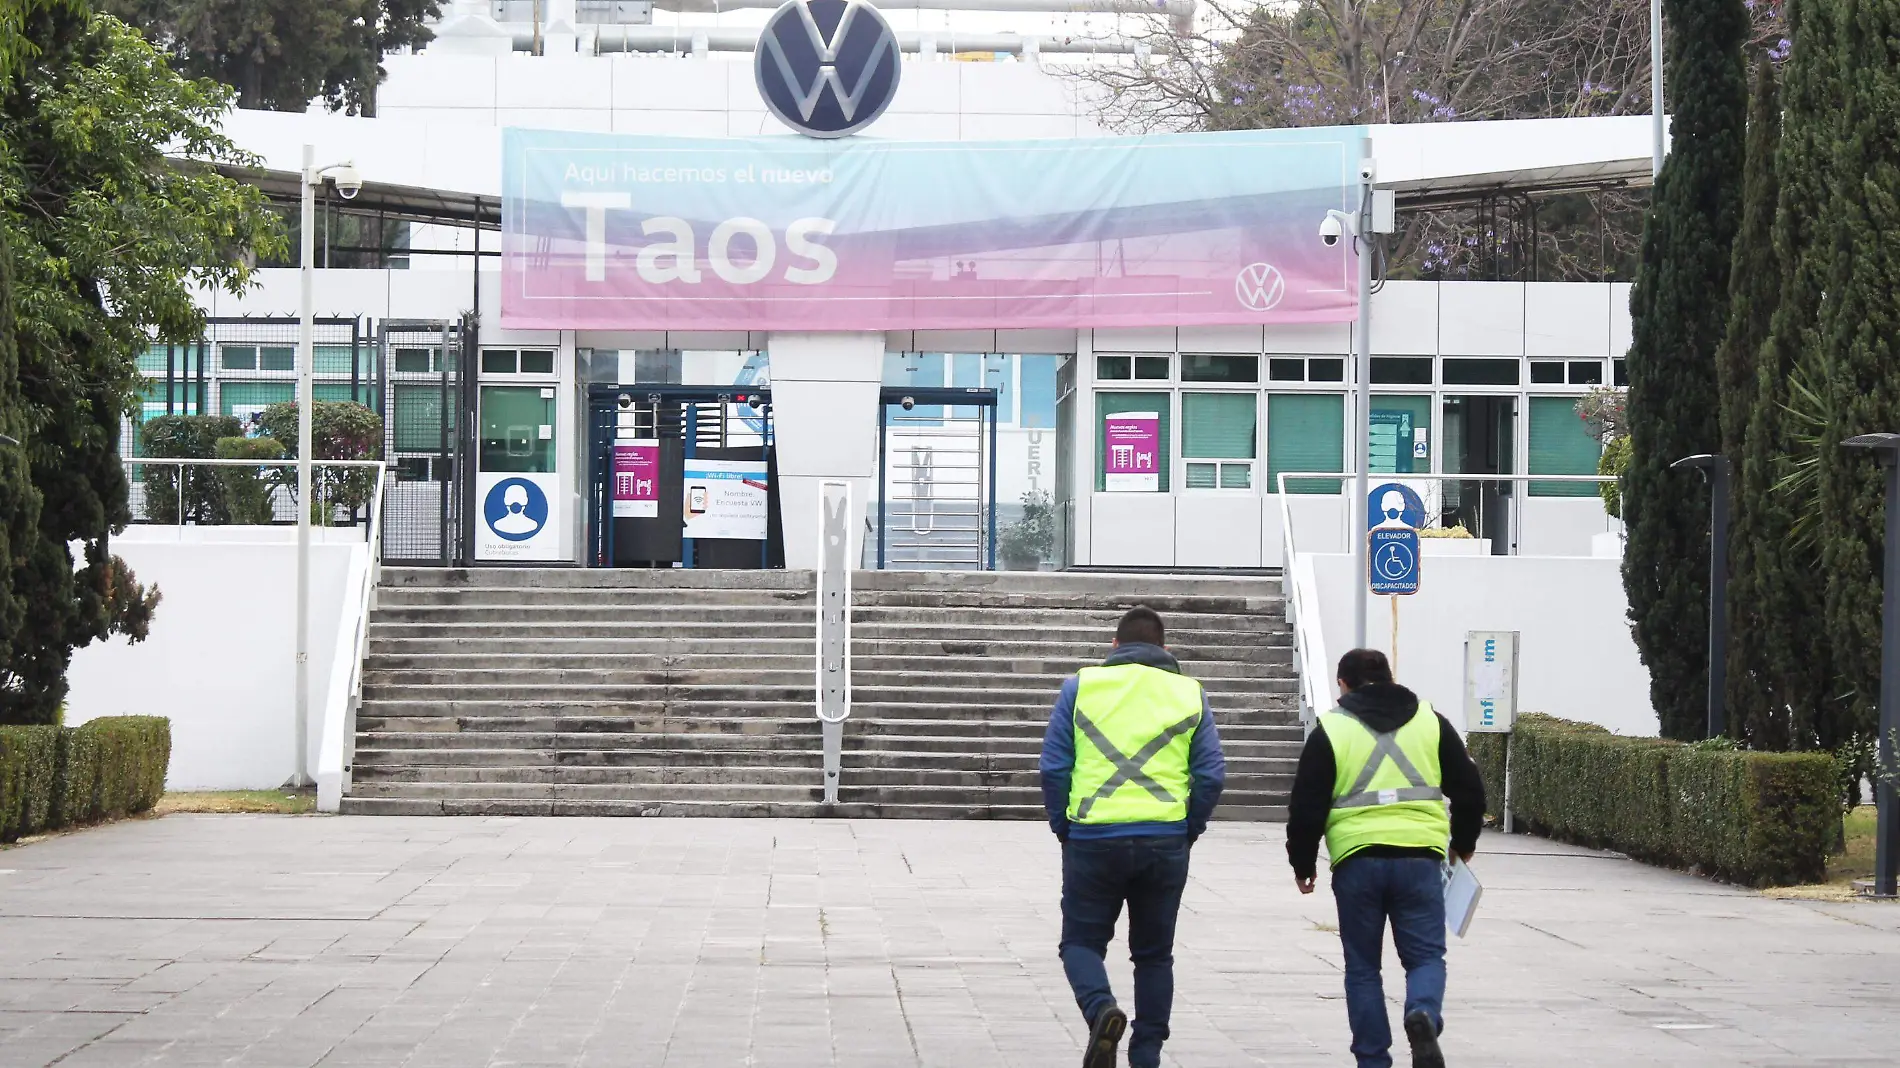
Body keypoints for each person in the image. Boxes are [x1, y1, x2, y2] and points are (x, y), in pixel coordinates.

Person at [1040, 605, 1225, 1068]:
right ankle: (1146, 1055)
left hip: (1093, 837)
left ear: (1115, 647)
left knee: (1080, 944)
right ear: (1164, 648)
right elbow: (1211, 775)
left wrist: (1063, 826)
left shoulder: (1080, 687)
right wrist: (1189, 828)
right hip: (1164, 840)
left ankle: (1101, 1008)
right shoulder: (1189, 693)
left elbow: (1054, 768)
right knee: (1154, 955)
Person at [1285, 648, 1485, 1068]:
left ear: (1343, 684)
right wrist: (1462, 844)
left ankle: (1373, 1059)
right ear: (1391, 678)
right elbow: (1470, 789)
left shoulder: (1332, 730)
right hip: (1420, 860)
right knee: (1426, 957)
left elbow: (1306, 806)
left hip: (1357, 861)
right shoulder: (1430, 721)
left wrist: (1302, 865)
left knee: (1362, 969)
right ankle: (1423, 1014)